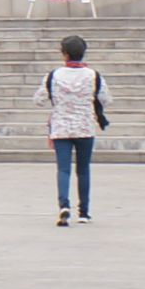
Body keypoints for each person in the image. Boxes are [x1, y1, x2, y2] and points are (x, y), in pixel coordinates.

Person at [43, 33, 105, 226]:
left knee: (63, 169)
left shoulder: (53, 76)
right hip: (84, 126)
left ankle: (64, 205)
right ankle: (84, 212)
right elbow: (105, 98)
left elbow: (38, 98)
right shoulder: (93, 75)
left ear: (65, 54)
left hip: (61, 127)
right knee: (83, 169)